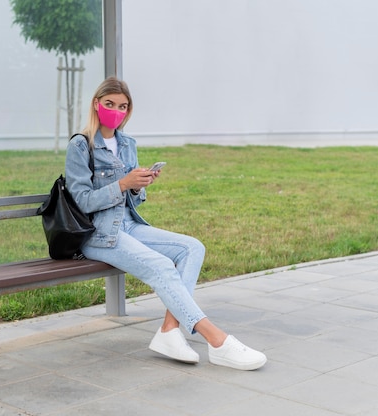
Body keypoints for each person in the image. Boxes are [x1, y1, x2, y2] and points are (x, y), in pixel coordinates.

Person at [65, 76, 267, 371]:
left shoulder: (127, 143)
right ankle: (217, 341)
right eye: (110, 104)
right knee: (161, 265)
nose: (116, 111)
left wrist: (138, 186)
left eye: (123, 106)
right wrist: (122, 184)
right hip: (99, 234)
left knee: (192, 248)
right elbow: (81, 201)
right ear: (97, 105)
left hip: (129, 225)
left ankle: (169, 330)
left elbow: (135, 200)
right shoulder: (81, 146)